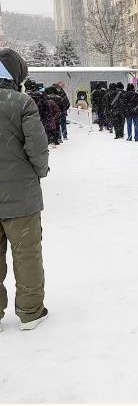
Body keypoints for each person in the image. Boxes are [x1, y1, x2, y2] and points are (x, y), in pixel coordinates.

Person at [0, 48, 50, 332]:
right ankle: (31, 312)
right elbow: (37, 147)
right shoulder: (22, 103)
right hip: (21, 197)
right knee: (27, 254)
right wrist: (40, 171)